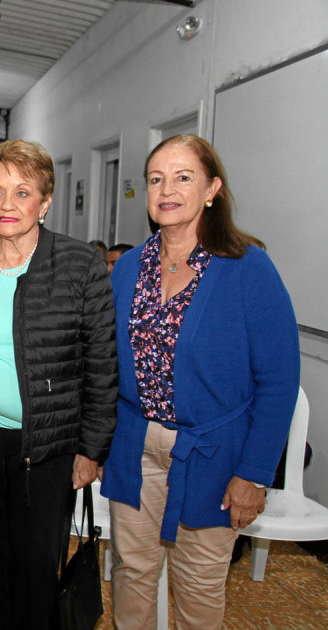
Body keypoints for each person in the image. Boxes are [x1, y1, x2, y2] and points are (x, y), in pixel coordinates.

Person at [101, 134, 300, 629]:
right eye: (156, 179)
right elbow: (104, 360)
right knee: (132, 573)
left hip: (214, 454)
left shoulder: (247, 267)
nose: (167, 189)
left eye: (183, 177)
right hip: (134, 445)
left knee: (199, 584)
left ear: (212, 189)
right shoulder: (129, 267)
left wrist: (254, 474)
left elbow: (278, 382)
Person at [0, 139, 117, 629]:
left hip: (47, 445)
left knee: (36, 567)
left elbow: (102, 363)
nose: (7, 204)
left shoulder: (80, 264)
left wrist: (91, 449)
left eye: (22, 192)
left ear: (45, 202)